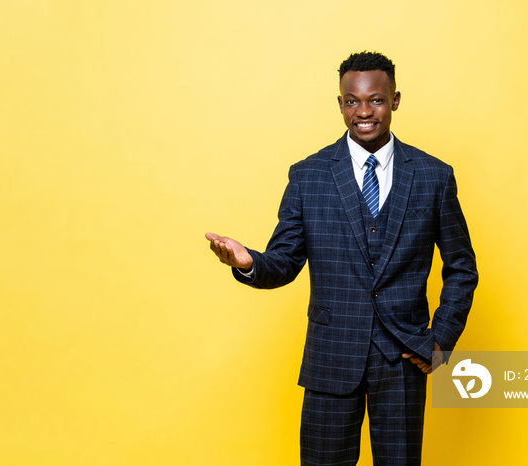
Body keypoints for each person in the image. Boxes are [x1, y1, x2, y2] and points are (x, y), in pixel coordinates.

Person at [205, 51, 478, 466]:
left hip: (404, 358)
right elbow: (284, 260)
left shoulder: (433, 175)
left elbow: (461, 266)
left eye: (376, 100)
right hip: (331, 358)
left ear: (396, 100)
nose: (364, 112)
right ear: (340, 104)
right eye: (352, 101)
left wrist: (440, 340)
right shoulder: (308, 174)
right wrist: (248, 263)